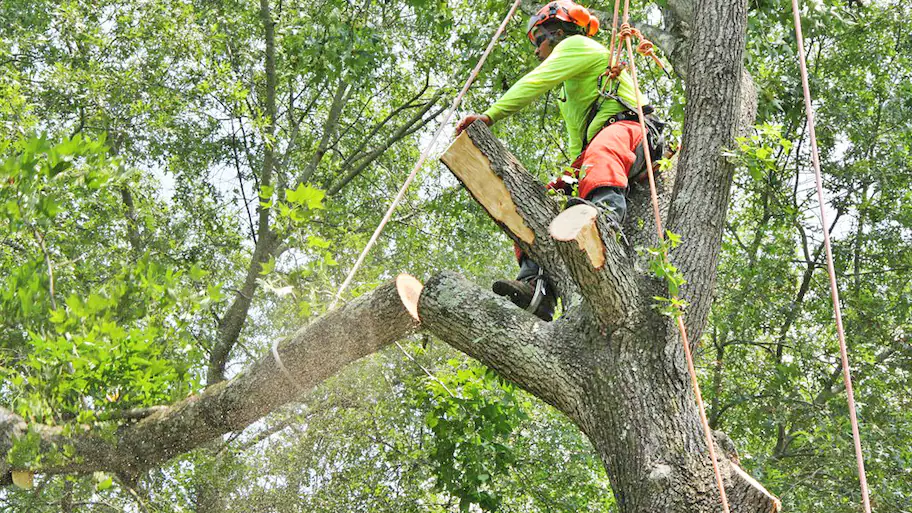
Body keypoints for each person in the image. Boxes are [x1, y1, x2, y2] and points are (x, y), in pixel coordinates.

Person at [455, 0, 662, 321]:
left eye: (538, 39)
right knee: (550, 195)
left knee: (600, 154)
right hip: (603, 143)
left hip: (632, 130)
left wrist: (489, 116)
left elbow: (534, 82)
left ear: (557, 32)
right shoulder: (573, 86)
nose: (536, 50)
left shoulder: (577, 45)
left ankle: (604, 226)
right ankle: (535, 285)